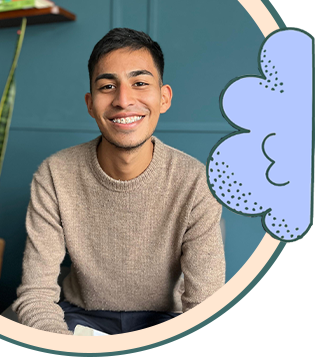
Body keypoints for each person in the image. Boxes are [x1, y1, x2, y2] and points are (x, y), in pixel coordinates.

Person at [12, 28, 225, 335]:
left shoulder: (197, 182)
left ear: (164, 98)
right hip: (80, 317)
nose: (123, 100)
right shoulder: (54, 175)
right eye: (108, 86)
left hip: (165, 321)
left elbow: (205, 307)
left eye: (140, 83)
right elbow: (36, 295)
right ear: (90, 104)